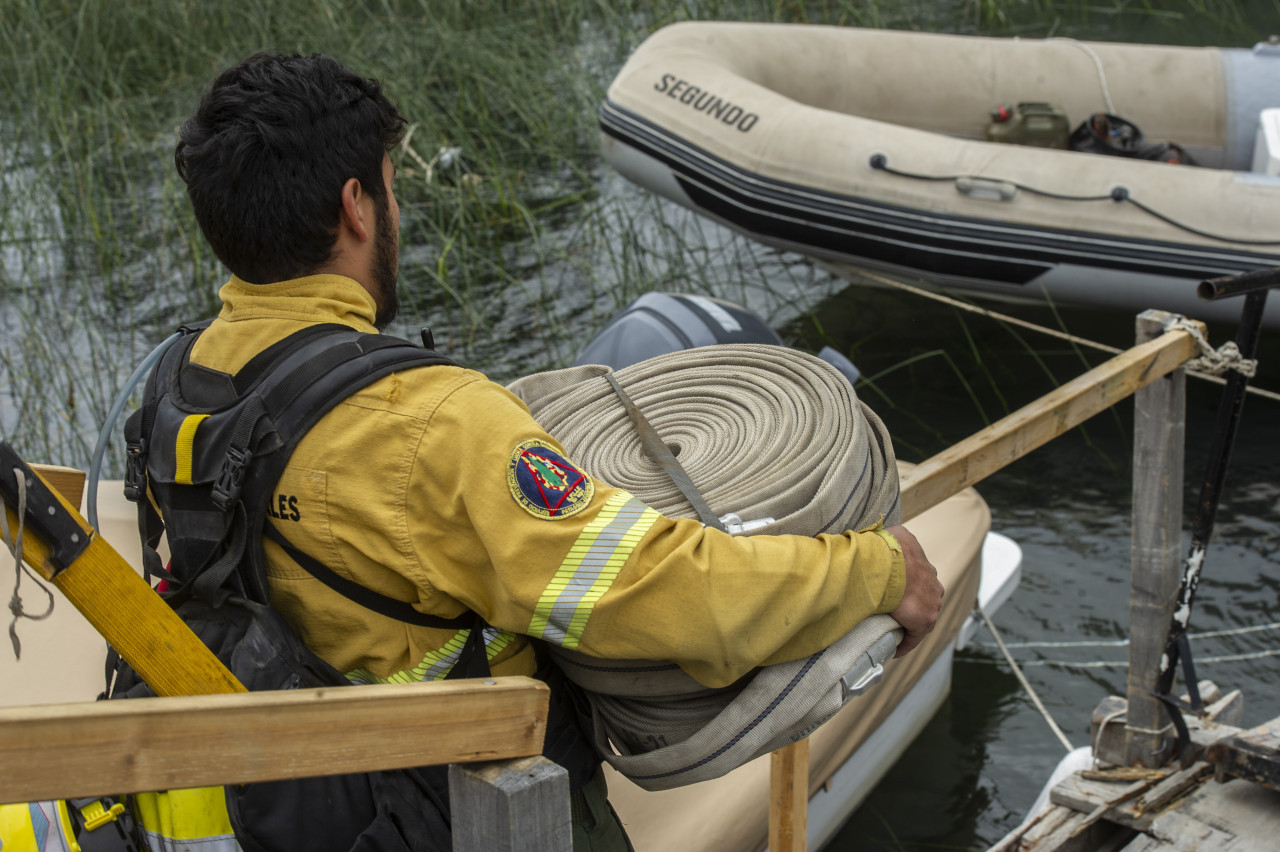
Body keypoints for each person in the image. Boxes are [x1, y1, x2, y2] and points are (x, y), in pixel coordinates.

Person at [171, 52, 944, 850]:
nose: (398, 212)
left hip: (305, 806)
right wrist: (878, 571)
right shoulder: (432, 424)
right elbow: (653, 592)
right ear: (357, 207)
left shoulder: (184, 384)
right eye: (393, 188)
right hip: (469, 813)